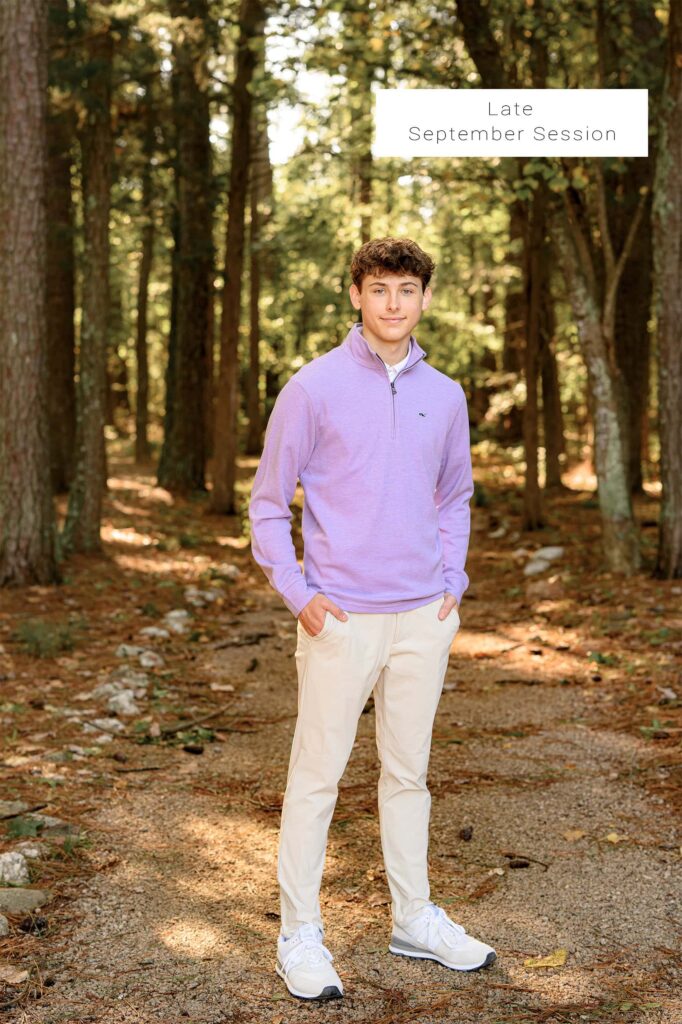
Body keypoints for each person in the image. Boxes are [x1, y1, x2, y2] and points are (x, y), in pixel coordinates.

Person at [248, 237, 496, 1002]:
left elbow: (454, 494)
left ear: (424, 298)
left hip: (424, 615)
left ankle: (414, 917)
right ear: (356, 295)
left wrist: (452, 580)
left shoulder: (447, 395)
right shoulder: (312, 389)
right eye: (380, 288)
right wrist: (301, 595)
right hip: (341, 620)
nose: (394, 303)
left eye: (407, 289)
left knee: (408, 774)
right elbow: (266, 503)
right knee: (316, 778)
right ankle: (298, 934)